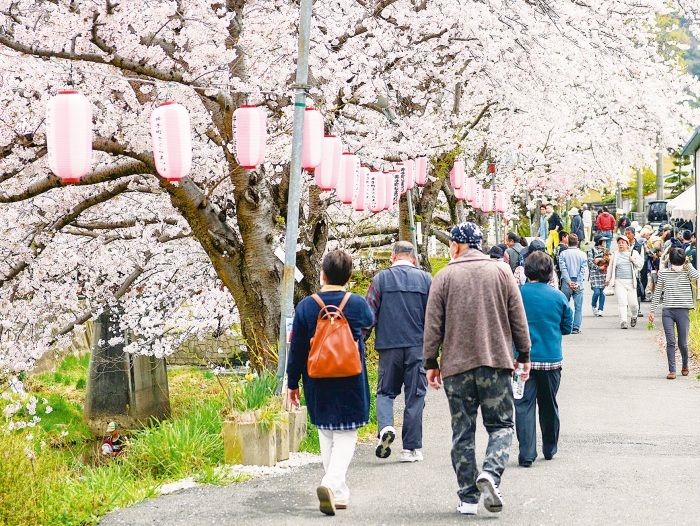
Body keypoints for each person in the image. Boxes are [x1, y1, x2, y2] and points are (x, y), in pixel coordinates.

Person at [423, 222, 532, 516]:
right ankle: (491, 474)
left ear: (456, 245)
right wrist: (523, 353)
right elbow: (517, 317)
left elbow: (433, 324)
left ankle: (468, 499)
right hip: (495, 364)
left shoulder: (444, 276)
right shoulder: (501, 272)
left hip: (456, 368)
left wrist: (430, 362)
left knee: (463, 432)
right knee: (501, 426)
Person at [287, 250, 374, 515]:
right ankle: (331, 484)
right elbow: (369, 324)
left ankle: (338, 492)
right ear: (349, 277)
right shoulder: (358, 304)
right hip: (350, 379)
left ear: (322, 275)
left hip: (317, 380)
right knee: (346, 434)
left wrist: (292, 383)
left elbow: (297, 349)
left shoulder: (306, 306)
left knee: (326, 432)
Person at [364, 241, 432, 463]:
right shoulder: (425, 279)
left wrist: (360, 341)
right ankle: (410, 449)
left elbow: (369, 314)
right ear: (413, 258)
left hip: (388, 346)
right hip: (417, 347)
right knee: (415, 396)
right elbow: (435, 316)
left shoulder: (380, 279)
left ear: (393, 257)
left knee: (385, 392)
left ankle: (385, 428)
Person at [515, 251, 573, 467]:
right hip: (551, 360)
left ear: (526, 271)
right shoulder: (557, 296)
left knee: (523, 405)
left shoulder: (517, 294)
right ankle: (549, 447)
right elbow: (567, 327)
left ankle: (527, 454)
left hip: (521, 361)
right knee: (548, 404)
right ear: (550, 272)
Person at [649, 247, 700, 380]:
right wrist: (652, 311)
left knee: (682, 343)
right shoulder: (664, 274)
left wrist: (687, 263)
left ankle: (685, 364)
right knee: (670, 341)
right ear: (670, 261)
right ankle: (672, 370)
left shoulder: (687, 272)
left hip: (683, 311)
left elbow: (697, 276)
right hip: (668, 311)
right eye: (675, 263)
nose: (677, 266)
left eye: (679, 263)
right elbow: (657, 292)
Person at [605, 235, 643, 329]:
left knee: (633, 304)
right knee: (622, 302)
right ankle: (623, 321)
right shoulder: (615, 254)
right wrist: (608, 279)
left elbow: (640, 265)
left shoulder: (633, 253)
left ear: (627, 244)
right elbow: (610, 267)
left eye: (623, 242)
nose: (620, 244)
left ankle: (634, 316)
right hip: (619, 281)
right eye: (619, 243)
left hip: (631, 282)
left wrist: (633, 260)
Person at [558, 233, 587, 334]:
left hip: (566, 282)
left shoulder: (563, 254)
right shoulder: (583, 255)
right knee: (578, 307)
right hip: (578, 282)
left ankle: (565, 325)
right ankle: (576, 327)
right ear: (577, 242)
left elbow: (563, 268)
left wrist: (569, 281)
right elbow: (582, 271)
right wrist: (577, 283)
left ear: (568, 242)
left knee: (564, 304)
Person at [587, 234, 609, 317]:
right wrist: (599, 267)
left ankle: (600, 309)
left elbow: (608, 260)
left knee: (602, 292)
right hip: (594, 274)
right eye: (603, 241)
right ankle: (593, 305)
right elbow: (590, 262)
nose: (604, 242)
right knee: (596, 292)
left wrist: (600, 259)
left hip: (603, 274)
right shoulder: (591, 251)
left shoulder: (606, 250)